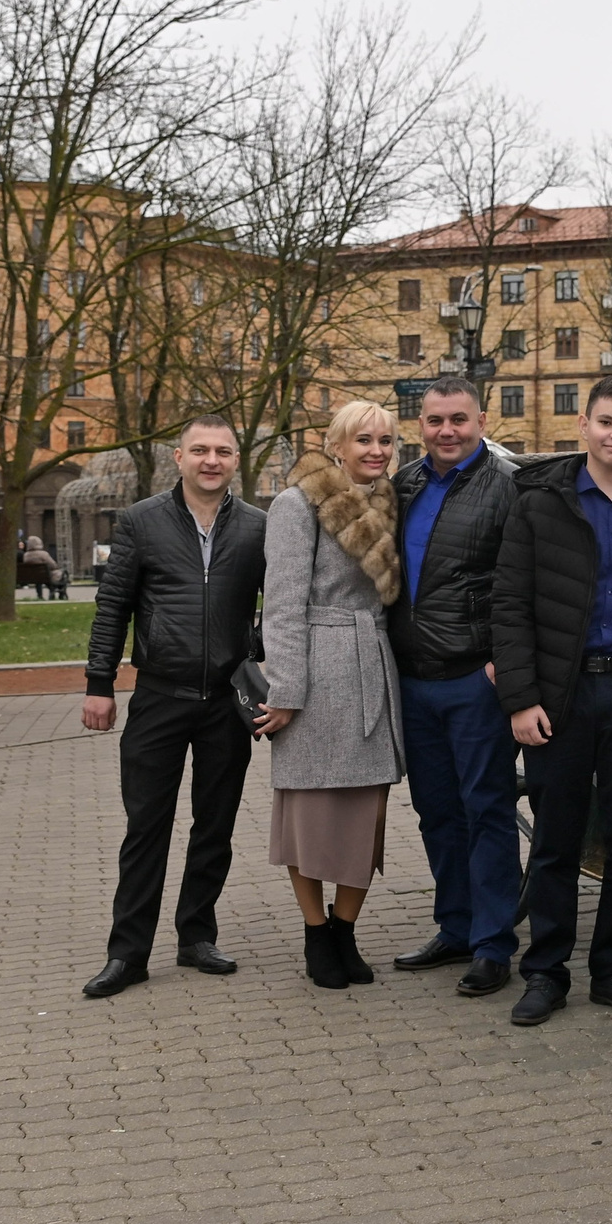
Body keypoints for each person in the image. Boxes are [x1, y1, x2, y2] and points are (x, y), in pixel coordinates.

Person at [491, 376, 612, 1026]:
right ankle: (545, 974)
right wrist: (522, 699)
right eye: (606, 422)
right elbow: (510, 605)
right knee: (557, 838)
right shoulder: (539, 504)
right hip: (563, 693)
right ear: (584, 425)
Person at [78, 415, 271, 999]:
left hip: (227, 704)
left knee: (215, 825)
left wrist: (257, 653)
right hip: (159, 695)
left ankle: (197, 936)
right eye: (200, 450)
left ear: (235, 460)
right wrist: (99, 682)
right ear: (179, 457)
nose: (212, 461)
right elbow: (113, 605)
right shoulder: (141, 521)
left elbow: (285, 605)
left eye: (223, 452)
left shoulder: (259, 527)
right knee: (146, 827)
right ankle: (127, 953)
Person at [260, 400, 408, 988]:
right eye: (363, 439)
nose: (376, 450)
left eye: (385, 441)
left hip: (372, 665)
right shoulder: (297, 504)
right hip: (317, 673)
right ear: (336, 445)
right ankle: (315, 932)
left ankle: (345, 930)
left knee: (366, 814)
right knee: (309, 813)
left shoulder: (389, 501)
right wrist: (286, 689)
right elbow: (282, 605)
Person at [388, 378, 524, 996]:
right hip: (415, 680)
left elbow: (521, 582)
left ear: (482, 421)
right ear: (420, 424)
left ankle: (493, 944)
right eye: (435, 420)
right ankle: (456, 927)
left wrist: (502, 661)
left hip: (475, 678)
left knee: (486, 810)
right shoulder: (403, 485)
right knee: (436, 812)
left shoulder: (508, 486)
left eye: (459, 420)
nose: (447, 431)